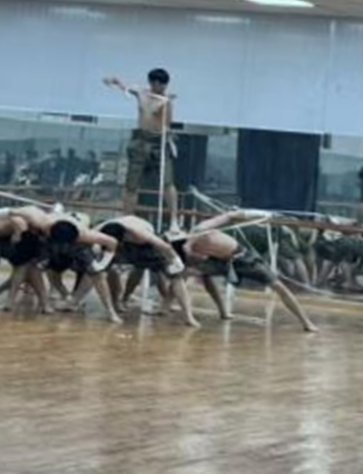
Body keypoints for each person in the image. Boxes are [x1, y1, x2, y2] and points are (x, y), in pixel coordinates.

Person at [173, 210, 317, 332]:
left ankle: (306, 322)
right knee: (181, 275)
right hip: (220, 262)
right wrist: (191, 253)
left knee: (278, 286)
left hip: (243, 257)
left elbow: (230, 215)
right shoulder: (185, 248)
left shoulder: (200, 229)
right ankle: (176, 311)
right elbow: (198, 257)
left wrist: (257, 215)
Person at [103, 69, 179, 224]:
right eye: (160, 84)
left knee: (167, 182)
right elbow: (126, 88)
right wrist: (115, 81)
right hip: (140, 140)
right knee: (131, 184)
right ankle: (126, 219)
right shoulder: (141, 93)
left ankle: (174, 219)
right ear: (153, 83)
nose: (162, 87)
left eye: (164, 85)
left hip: (159, 142)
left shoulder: (166, 101)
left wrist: (168, 135)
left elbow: (167, 124)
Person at [97, 214, 198, 328]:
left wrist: (177, 263)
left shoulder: (140, 233)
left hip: (148, 245)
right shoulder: (100, 230)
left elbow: (165, 247)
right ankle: (117, 302)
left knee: (176, 276)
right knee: (103, 269)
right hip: (119, 240)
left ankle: (188, 316)